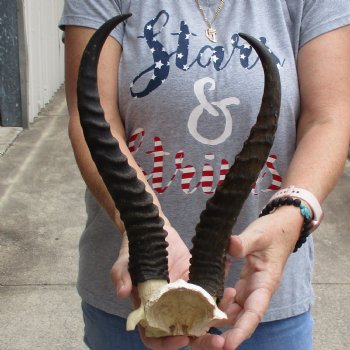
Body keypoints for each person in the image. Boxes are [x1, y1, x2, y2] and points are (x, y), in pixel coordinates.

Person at [59, 1, 350, 349]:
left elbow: (330, 116)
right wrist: (139, 228)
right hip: (134, 293)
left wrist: (294, 210)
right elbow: (91, 113)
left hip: (256, 292)